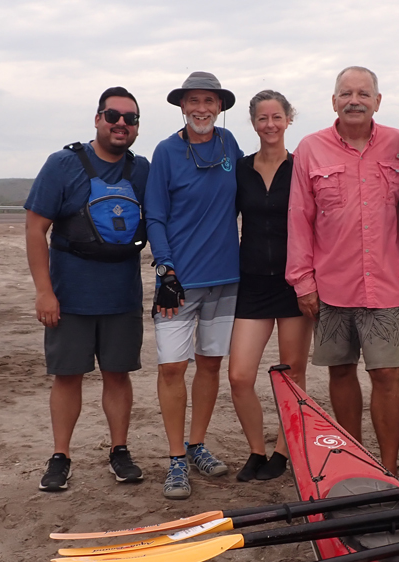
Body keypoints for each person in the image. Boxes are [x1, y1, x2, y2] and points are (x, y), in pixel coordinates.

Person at [286, 67, 399, 474]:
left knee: (388, 375)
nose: (355, 100)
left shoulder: (398, 143)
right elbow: (299, 217)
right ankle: (355, 463)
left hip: (386, 286)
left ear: (378, 101)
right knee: (340, 371)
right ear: (334, 101)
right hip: (330, 287)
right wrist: (302, 281)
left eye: (363, 93)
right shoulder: (310, 149)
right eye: (346, 93)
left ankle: (386, 468)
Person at [24, 87, 149, 492]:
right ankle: (60, 456)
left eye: (130, 119)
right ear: (97, 119)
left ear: (136, 128)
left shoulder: (142, 170)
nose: (121, 124)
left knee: (118, 374)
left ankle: (119, 450)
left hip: (122, 294)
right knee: (67, 375)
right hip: (70, 294)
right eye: (113, 116)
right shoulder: (63, 164)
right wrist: (45, 291)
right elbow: (35, 227)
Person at [145, 71, 245, 499]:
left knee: (209, 364)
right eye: (193, 101)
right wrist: (165, 270)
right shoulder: (166, 151)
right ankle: (175, 460)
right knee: (172, 367)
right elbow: (155, 216)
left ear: (219, 107)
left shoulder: (230, 146)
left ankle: (197, 444)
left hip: (226, 278)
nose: (201, 108)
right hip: (179, 283)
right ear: (182, 106)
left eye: (209, 101)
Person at [228, 90, 314, 482]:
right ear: (253, 123)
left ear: (288, 120)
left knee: (292, 374)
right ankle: (256, 450)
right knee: (240, 376)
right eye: (262, 119)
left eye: (276, 117)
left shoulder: (302, 167)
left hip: (294, 283)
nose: (270, 125)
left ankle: (284, 450)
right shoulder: (240, 169)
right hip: (252, 283)